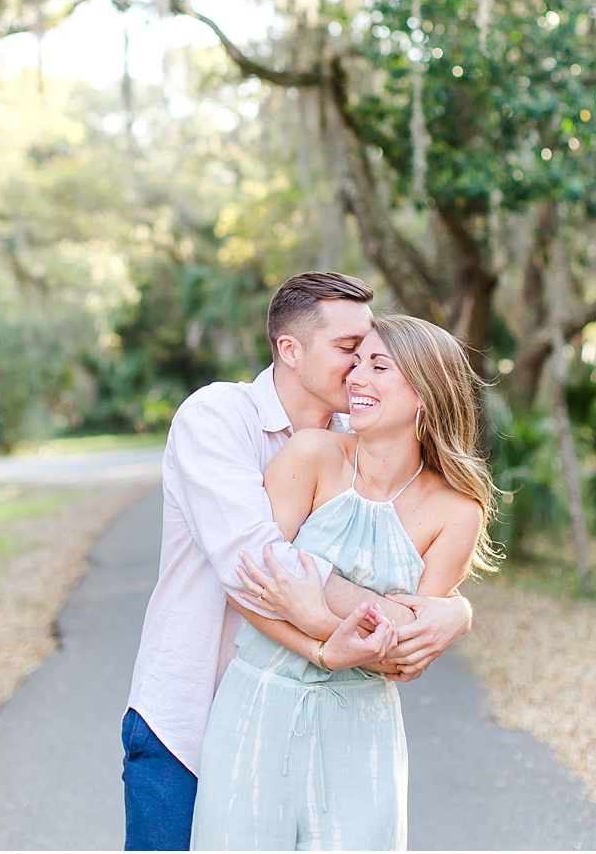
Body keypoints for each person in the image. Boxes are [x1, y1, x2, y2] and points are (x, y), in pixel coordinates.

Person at [122, 273, 476, 851]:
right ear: (290, 349)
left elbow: (415, 552)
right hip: (189, 712)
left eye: (371, 355)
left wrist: (453, 610)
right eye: (347, 350)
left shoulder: (358, 436)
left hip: (328, 722)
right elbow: (262, 568)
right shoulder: (217, 417)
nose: (359, 367)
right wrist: (401, 620)